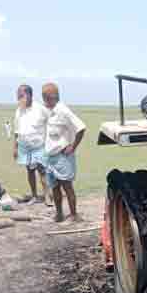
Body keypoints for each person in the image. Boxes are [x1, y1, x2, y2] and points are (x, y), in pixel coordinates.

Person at [41, 83, 86, 222]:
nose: (44, 100)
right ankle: (59, 214)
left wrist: (73, 146)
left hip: (63, 157)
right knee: (54, 187)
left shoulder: (63, 111)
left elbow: (81, 128)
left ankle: (73, 215)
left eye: (45, 97)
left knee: (67, 187)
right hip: (50, 157)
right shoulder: (50, 111)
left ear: (50, 97)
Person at [13, 84, 52, 205]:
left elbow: (51, 122)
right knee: (29, 171)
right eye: (18, 96)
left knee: (42, 171)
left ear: (29, 95)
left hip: (39, 145)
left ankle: (47, 197)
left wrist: (50, 141)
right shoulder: (19, 110)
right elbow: (16, 130)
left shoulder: (40, 109)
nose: (19, 99)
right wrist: (15, 147)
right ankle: (34, 196)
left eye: (21, 96)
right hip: (24, 146)